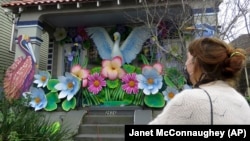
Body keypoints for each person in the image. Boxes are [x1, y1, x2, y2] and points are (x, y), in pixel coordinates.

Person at [149, 37, 250, 124]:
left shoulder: (189, 99)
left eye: (188, 59)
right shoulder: (241, 102)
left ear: (196, 63)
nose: (186, 65)